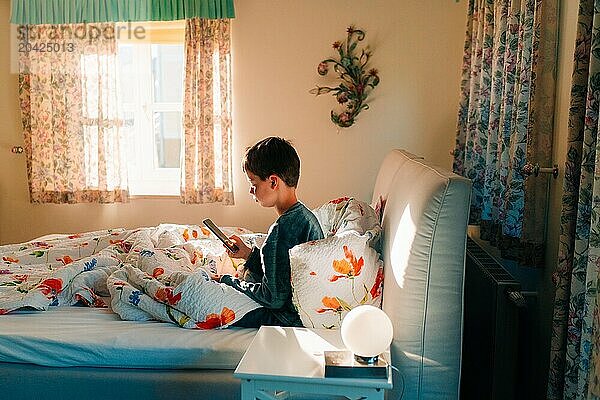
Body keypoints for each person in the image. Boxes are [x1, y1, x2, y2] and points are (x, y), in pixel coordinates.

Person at [218, 137, 324, 327]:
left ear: (273, 182)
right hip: (304, 311)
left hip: (287, 318)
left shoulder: (280, 230)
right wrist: (249, 255)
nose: (251, 191)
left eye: (254, 183)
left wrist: (229, 281)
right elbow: (283, 272)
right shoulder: (306, 217)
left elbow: (273, 298)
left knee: (214, 302)